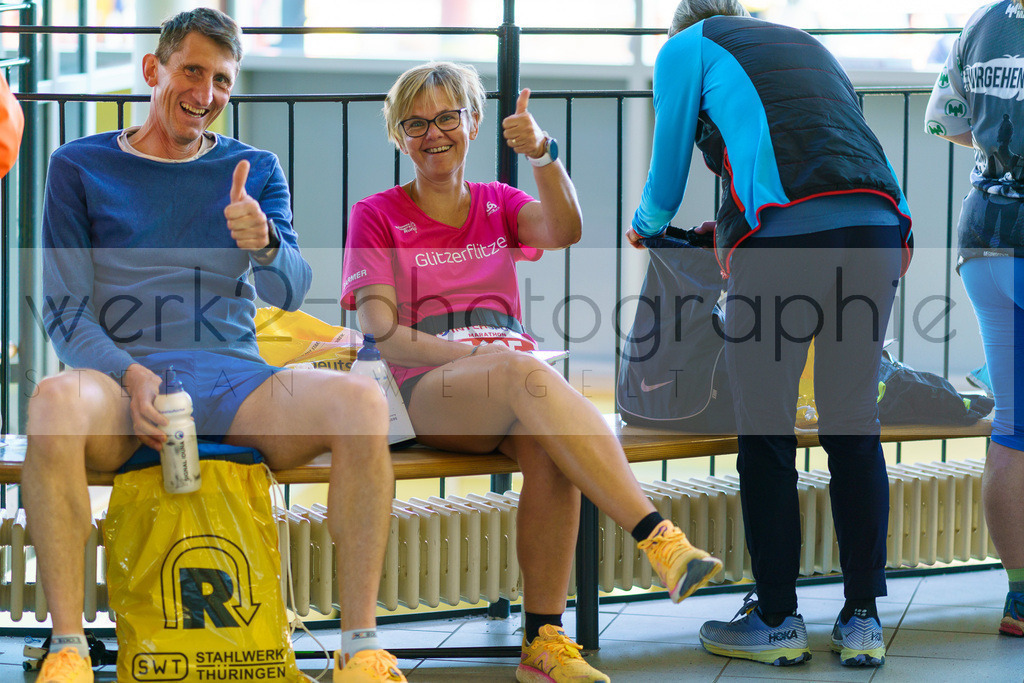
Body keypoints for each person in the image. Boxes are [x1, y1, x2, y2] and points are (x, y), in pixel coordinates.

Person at [27, 9, 405, 683]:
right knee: (54, 400)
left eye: (223, 80)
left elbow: (291, 289)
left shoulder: (254, 167)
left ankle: (360, 645)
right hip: (123, 387)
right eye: (192, 71)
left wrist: (262, 240)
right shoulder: (76, 165)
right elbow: (65, 310)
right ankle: (68, 647)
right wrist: (129, 373)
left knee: (360, 400)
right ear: (154, 69)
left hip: (235, 383)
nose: (206, 94)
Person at [341, 61, 723, 683]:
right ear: (398, 135)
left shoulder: (498, 201)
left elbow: (566, 229)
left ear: (473, 122)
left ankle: (544, 645)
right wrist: (474, 357)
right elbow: (384, 331)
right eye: (415, 124)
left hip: (514, 376)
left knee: (553, 452)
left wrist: (543, 154)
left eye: (446, 118)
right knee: (522, 374)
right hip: (432, 384)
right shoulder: (377, 214)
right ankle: (661, 540)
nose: (432, 133)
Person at [629, 0, 913, 669]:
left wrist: (645, 223)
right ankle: (863, 618)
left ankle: (779, 618)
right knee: (852, 423)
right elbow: (817, 151)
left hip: (786, 244)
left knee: (766, 430)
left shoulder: (686, 48)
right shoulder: (800, 43)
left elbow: (666, 180)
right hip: (879, 229)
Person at [924, 0, 1024, 640]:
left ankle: (1020, 600)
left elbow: (946, 122)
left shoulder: (978, 24)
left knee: (1014, 428)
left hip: (985, 237)